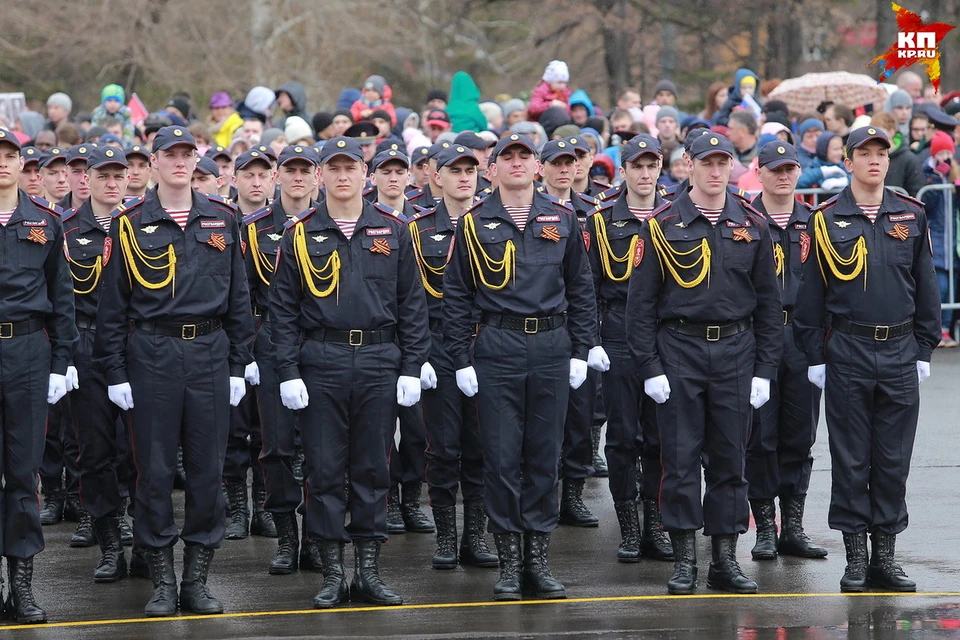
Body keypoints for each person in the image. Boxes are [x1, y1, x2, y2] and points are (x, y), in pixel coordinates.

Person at [94, 126, 256, 617]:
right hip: (153, 353)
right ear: (154, 163)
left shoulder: (223, 219)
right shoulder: (128, 224)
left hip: (209, 351)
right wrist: (116, 372)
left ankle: (197, 580)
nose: (181, 162)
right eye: (171, 154)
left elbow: (239, 299)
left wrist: (237, 363)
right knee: (155, 472)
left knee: (209, 472)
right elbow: (112, 309)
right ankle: (162, 579)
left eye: (189, 154)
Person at [270, 137, 429, 608]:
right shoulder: (300, 233)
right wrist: (288, 370)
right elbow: (283, 311)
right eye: (333, 168)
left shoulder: (393, 230)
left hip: (380, 360)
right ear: (321, 176)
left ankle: (368, 572)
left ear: (367, 175)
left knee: (372, 468)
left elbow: (412, 305)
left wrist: (411, 365)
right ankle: (333, 571)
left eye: (351, 168)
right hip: (323, 360)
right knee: (323, 469)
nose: (343, 176)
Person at [442, 133, 598, 601]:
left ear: (537, 167)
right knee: (503, 456)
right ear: (492, 169)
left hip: (551, 344)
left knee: (544, 456)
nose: (515, 164)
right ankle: (510, 562)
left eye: (523, 156)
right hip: (498, 345)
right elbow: (457, 295)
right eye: (506, 157)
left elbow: (581, 288)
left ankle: (538, 561)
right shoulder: (473, 223)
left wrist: (581, 349)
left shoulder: (564, 219)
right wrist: (460, 358)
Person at [627, 133, 782, 595]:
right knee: (678, 459)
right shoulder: (662, 223)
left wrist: (766, 369)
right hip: (680, 349)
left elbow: (769, 306)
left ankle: (724, 559)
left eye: (724, 162)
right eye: (707, 162)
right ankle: (683, 560)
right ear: (687, 165)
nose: (716, 172)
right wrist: (650, 366)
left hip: (737, 350)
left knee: (730, 460)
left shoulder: (752, 223)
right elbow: (639, 307)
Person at [794, 126, 939, 592]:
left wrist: (923, 346)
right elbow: (811, 295)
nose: (874, 161)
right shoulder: (826, 218)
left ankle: (885, 557)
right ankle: (855, 557)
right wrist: (815, 353)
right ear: (849, 162)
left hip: (899, 350)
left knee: (893, 459)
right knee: (852, 458)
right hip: (848, 350)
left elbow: (926, 286)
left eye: (881, 153)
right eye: (865, 153)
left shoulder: (910, 215)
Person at [407, 144, 499, 570]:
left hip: (486, 344)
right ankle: (446, 537)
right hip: (438, 345)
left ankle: (475, 538)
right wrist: (418, 353)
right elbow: (406, 299)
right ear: (434, 177)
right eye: (454, 170)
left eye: (471, 169)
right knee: (443, 447)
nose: (465, 177)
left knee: (482, 445)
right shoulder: (417, 229)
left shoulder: (492, 224)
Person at [0, 129, 77, 624]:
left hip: (27, 351)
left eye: (9, 156)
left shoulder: (45, 221)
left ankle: (22, 586)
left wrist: (61, 360)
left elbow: (62, 295)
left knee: (23, 474)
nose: (2, 164)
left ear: (21, 163)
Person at [586, 135, 673, 563]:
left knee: (661, 436)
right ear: (623, 171)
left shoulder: (675, 215)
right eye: (636, 166)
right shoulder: (602, 219)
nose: (644, 173)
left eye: (651, 165)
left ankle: (656, 524)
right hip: (618, 331)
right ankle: (629, 526)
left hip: (665, 334)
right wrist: (592, 341)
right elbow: (589, 288)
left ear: (661, 168)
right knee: (623, 437)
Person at [744, 141, 828, 562]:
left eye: (790, 168)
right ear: (758, 173)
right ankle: (764, 526)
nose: (783, 176)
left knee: (799, 436)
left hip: (801, 337)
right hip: (758, 338)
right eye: (774, 169)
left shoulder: (815, 223)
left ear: (799, 172)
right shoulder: (744, 221)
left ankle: (792, 525)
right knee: (760, 436)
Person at [241, 145, 317, 574]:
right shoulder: (254, 229)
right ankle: (287, 538)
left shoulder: (327, 224)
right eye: (290, 170)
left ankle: (317, 538)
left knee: (321, 449)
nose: (298, 178)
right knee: (277, 446)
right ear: (277, 177)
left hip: (323, 342)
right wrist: (249, 349)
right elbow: (243, 295)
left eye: (306, 170)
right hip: (272, 342)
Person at [62, 146, 135, 584]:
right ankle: (110, 543)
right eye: (102, 176)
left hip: (135, 342)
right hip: (86, 341)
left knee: (142, 448)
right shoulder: (66, 229)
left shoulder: (143, 224)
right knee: (94, 449)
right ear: (86, 179)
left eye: (118, 175)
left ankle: (143, 539)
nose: (111, 183)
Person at [920, 131, 960, 347]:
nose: (945, 156)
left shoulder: (954, 172)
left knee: (952, 287)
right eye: (941, 152)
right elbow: (926, 204)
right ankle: (936, 329)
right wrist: (935, 181)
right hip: (936, 238)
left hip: (952, 240)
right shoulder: (927, 174)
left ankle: (946, 328)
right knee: (940, 287)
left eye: (948, 152)